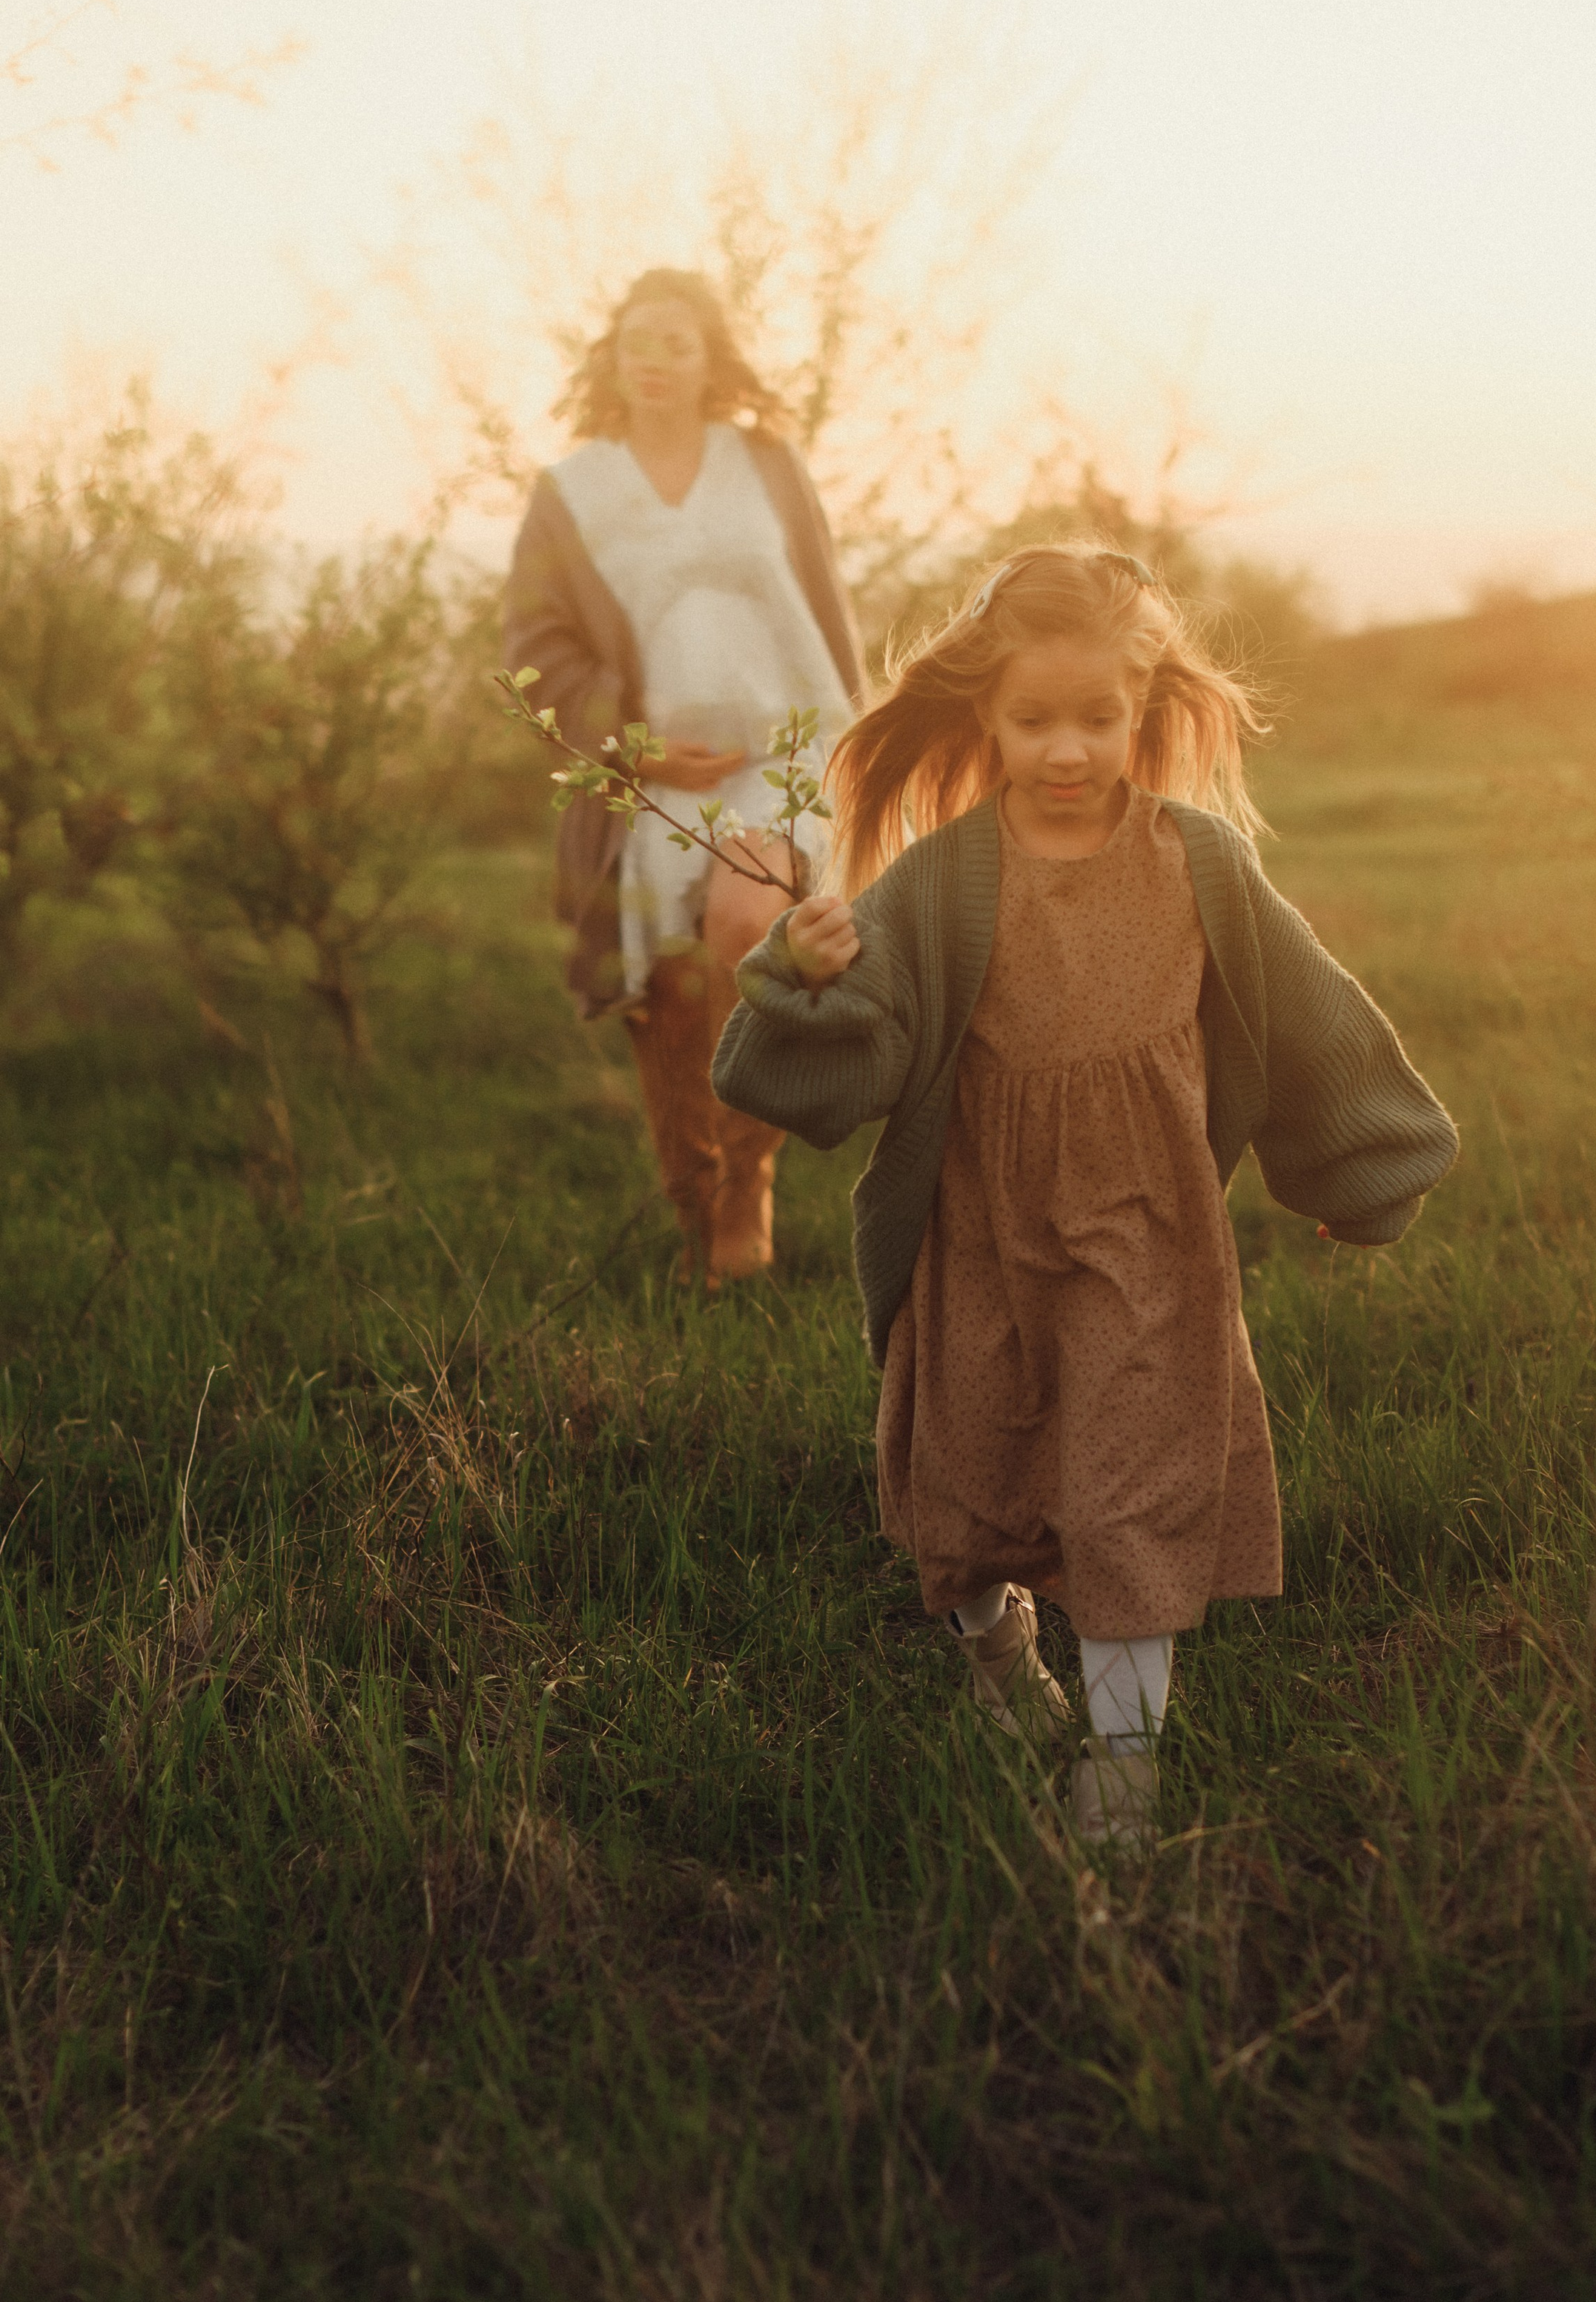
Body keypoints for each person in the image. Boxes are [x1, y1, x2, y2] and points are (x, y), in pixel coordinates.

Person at [710, 545, 1458, 1845]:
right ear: (987, 720)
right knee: (967, 1493)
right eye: (1035, 720)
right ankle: (1002, 1656)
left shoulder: (1200, 860)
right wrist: (803, 973)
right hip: (982, 1235)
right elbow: (854, 1063)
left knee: (1134, 1498)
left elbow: (1306, 1014)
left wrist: (1362, 1170)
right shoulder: (946, 879)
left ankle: (1123, 1770)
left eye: (1099, 718)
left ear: (1144, 711)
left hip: (1150, 1237)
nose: (1069, 748)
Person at [504, 268, 864, 1283]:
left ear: (712, 360)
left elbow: (826, 610)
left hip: (780, 754)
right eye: (637, 339)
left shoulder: (767, 465)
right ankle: (693, 1196)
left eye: (677, 340)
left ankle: (748, 1175)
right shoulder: (571, 492)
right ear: (612, 359)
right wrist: (630, 748)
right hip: (647, 772)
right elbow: (537, 641)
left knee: (751, 931)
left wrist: (860, 749)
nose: (655, 357)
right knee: (665, 986)